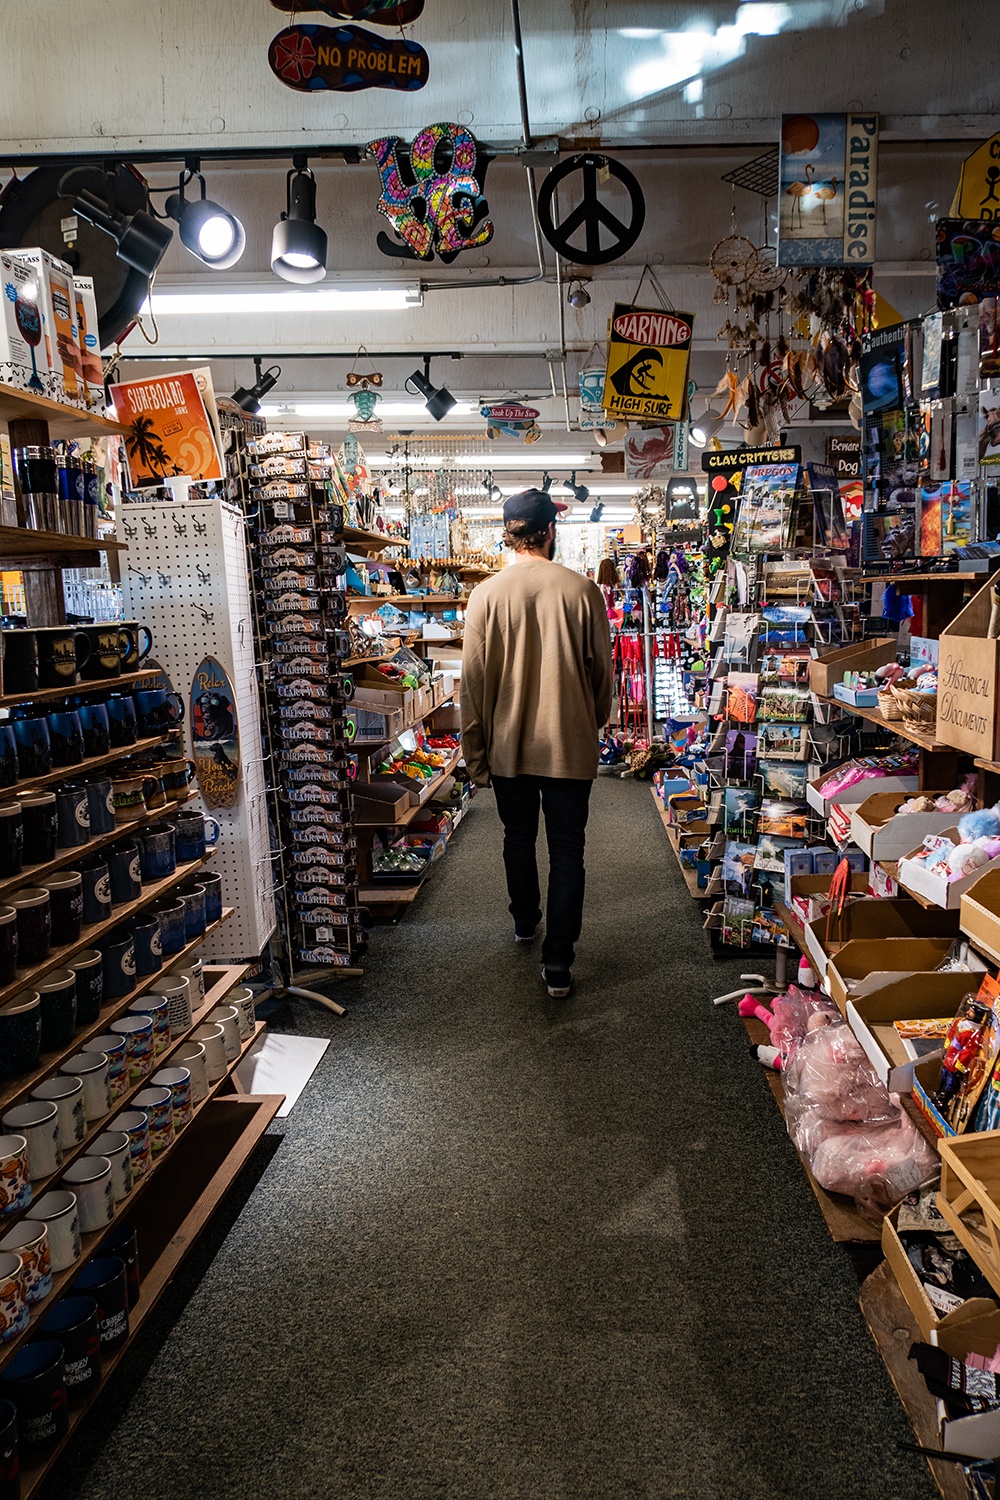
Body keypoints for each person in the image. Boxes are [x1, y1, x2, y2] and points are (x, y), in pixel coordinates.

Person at [461, 488, 614, 998]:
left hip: (508, 747)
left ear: (510, 533)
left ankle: (525, 921)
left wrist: (476, 753)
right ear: (551, 531)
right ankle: (558, 964)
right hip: (569, 744)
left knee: (516, 838)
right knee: (569, 851)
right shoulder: (583, 591)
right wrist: (589, 722)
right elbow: (601, 675)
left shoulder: (484, 596)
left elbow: (473, 682)